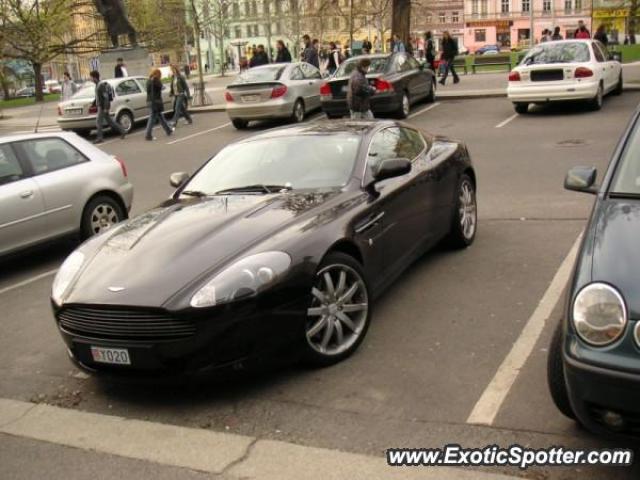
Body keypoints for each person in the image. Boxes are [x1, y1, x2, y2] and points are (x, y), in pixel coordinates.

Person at [89, 70, 125, 144]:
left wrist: (105, 108)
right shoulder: (97, 85)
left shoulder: (101, 85)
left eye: (91, 77)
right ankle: (122, 131)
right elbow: (98, 97)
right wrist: (93, 103)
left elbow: (106, 97)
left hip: (102, 107)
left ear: (94, 77)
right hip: (100, 106)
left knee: (98, 122)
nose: (90, 79)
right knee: (110, 122)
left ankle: (100, 138)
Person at [145, 68, 174, 141]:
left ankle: (168, 130)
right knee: (152, 118)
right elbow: (161, 87)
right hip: (156, 102)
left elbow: (148, 90)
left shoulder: (148, 81)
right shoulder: (156, 80)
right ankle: (148, 135)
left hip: (149, 101)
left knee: (160, 116)